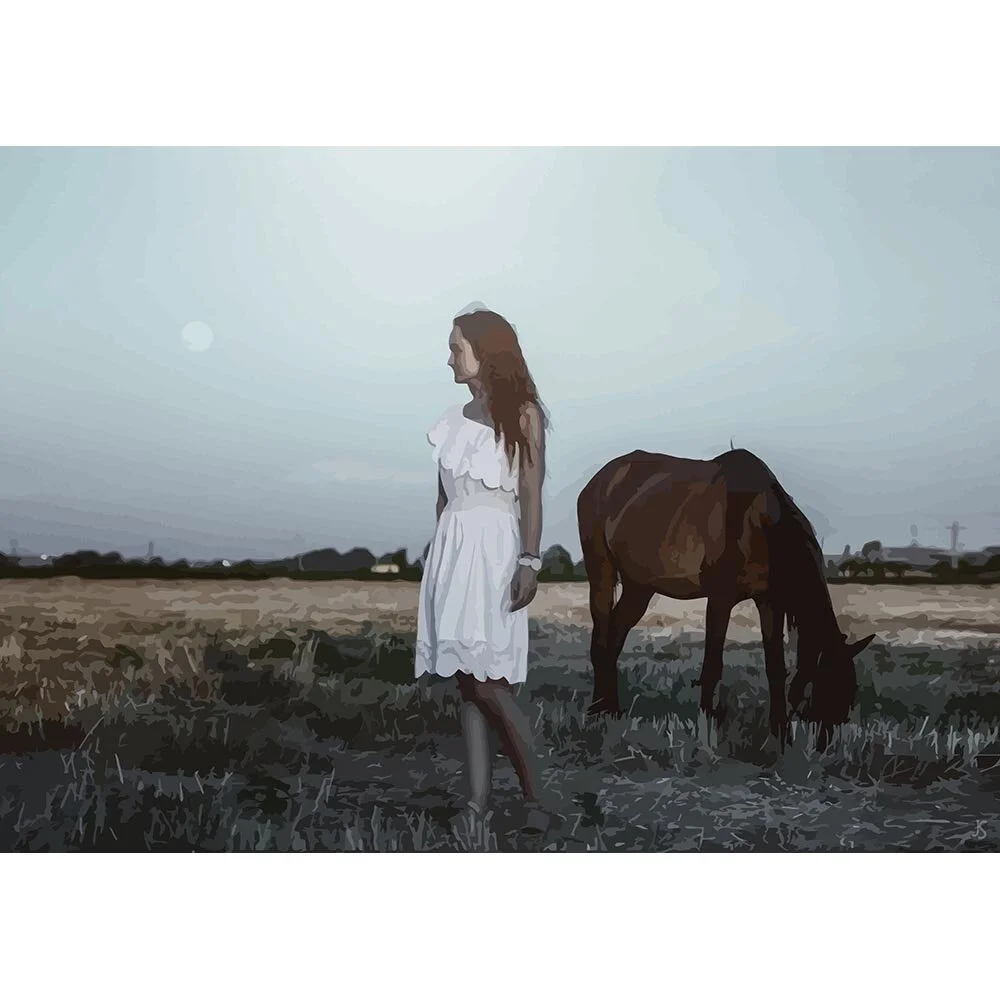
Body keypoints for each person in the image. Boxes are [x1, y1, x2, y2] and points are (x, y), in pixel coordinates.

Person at [415, 302, 551, 832]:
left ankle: (541, 799)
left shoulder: (523, 414)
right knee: (466, 684)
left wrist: (530, 560)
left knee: (491, 682)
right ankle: (477, 805)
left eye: (456, 348)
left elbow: (531, 495)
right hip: (453, 552)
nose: (449, 358)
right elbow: (442, 501)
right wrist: (438, 564)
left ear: (485, 351)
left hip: (496, 551)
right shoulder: (448, 423)